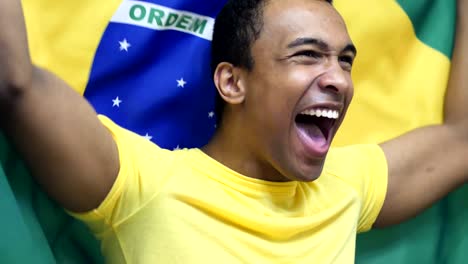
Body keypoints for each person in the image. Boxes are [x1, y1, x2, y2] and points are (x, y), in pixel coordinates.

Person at [0, 0, 467, 263]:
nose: (339, 79)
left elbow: (462, 137)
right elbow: (15, 81)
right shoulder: (145, 185)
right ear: (232, 81)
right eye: (307, 55)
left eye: (345, 60)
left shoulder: (345, 187)